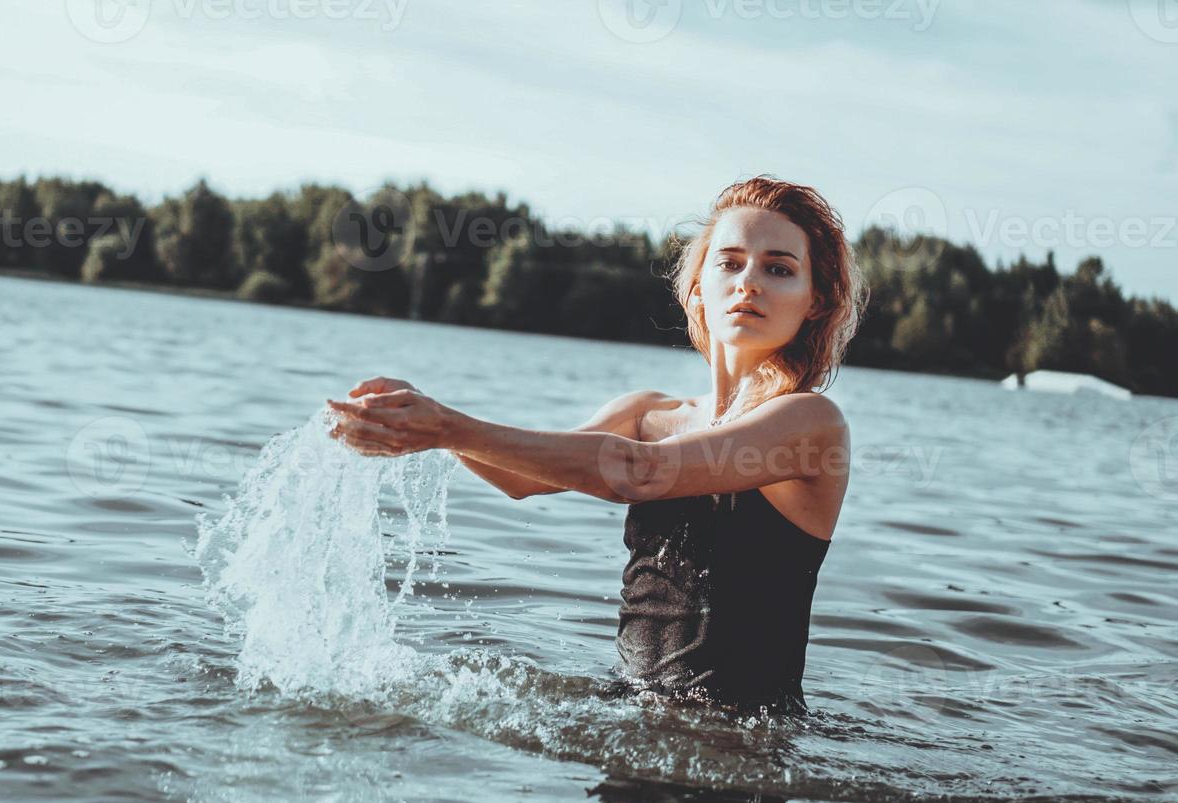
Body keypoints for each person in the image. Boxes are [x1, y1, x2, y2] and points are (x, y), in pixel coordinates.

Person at [326, 175, 866, 713]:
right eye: (729, 262)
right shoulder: (646, 413)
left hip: (742, 740)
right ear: (698, 285)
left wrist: (448, 427)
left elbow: (641, 474)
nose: (749, 282)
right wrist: (418, 417)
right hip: (632, 712)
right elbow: (521, 478)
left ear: (815, 300)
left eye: (779, 268)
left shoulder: (810, 423)